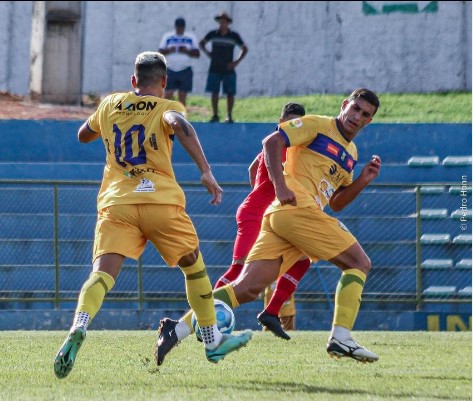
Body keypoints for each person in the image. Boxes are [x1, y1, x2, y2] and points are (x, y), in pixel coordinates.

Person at [53, 51, 253, 379]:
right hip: (159, 201)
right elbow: (179, 124)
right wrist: (205, 170)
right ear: (164, 83)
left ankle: (79, 325)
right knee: (193, 267)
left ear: (134, 81)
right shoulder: (167, 107)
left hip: (117, 203)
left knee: (102, 274)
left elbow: (82, 135)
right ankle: (212, 339)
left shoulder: (109, 104)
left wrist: (110, 125)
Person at [156, 88, 382, 364]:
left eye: (365, 114)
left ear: (368, 121)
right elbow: (272, 142)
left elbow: (336, 203)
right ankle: (341, 337)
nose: (357, 116)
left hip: (289, 219)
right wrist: (280, 184)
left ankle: (175, 330)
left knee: (247, 288)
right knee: (359, 262)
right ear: (345, 105)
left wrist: (362, 180)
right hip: (296, 208)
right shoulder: (316, 124)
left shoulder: (351, 153)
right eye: (355, 108)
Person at [213, 103, 310, 340]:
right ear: (280, 123)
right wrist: (259, 198)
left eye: (296, 125)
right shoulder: (282, 149)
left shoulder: (288, 150)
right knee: (239, 270)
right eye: (287, 123)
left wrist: (258, 190)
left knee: (303, 259)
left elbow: (252, 168)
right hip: (257, 214)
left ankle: (271, 312)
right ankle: (206, 317)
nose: (290, 128)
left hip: (274, 216)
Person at [199, 11, 248, 124]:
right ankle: (215, 115)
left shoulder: (234, 36)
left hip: (228, 67)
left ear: (228, 23)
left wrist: (236, 62)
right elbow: (201, 43)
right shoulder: (213, 34)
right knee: (214, 92)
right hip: (215, 67)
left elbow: (244, 48)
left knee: (230, 93)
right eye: (221, 21)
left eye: (224, 21)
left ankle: (229, 115)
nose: (222, 23)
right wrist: (208, 53)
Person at [158, 17, 200, 106]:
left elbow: (197, 54)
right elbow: (160, 51)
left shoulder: (190, 37)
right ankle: (163, 115)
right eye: (178, 27)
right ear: (175, 27)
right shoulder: (168, 36)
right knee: (168, 94)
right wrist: (170, 50)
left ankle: (181, 116)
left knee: (182, 96)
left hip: (185, 69)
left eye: (181, 27)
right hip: (170, 68)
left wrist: (187, 51)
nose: (180, 29)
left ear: (184, 27)